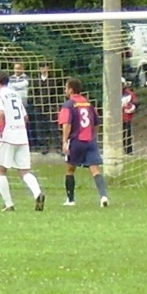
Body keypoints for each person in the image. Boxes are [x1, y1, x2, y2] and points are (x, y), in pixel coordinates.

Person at [0, 71, 45, 212]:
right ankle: (37, 193)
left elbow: (0, 113)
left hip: (6, 135)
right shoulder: (16, 94)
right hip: (21, 135)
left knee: (1, 170)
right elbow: (25, 117)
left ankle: (9, 204)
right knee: (24, 171)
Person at [58, 78, 109, 207]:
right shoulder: (88, 104)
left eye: (66, 88)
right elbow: (96, 122)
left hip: (76, 141)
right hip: (90, 140)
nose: (65, 90)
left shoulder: (68, 105)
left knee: (70, 169)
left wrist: (64, 141)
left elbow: (67, 124)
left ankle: (70, 200)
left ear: (70, 89)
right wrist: (93, 136)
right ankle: (103, 196)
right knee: (95, 170)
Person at [30, 63, 59, 154]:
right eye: (41, 67)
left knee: (53, 126)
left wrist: (53, 105)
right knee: (40, 127)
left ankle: (57, 146)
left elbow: (55, 94)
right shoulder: (36, 80)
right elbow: (33, 93)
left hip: (50, 106)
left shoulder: (53, 80)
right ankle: (43, 146)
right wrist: (37, 103)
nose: (43, 69)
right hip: (39, 106)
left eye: (45, 67)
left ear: (48, 68)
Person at [121, 77, 139, 155]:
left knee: (127, 134)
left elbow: (135, 103)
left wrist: (130, 109)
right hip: (116, 119)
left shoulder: (129, 94)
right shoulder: (113, 94)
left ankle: (129, 151)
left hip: (126, 118)